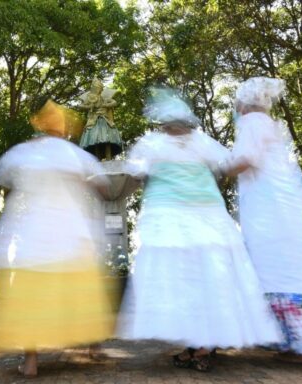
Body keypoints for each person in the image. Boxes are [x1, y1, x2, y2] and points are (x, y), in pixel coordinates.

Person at [118, 87, 281, 372]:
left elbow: (135, 174)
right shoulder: (201, 142)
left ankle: (200, 346)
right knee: (205, 280)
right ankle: (200, 345)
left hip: (176, 222)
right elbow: (228, 165)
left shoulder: (152, 144)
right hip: (201, 220)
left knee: (187, 281)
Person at [0, 100, 115, 378]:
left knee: (31, 299)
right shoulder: (74, 154)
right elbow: (103, 185)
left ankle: (31, 361)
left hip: (35, 234)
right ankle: (94, 345)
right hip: (70, 234)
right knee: (82, 293)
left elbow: (4, 178)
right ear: (63, 130)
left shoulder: (21, 153)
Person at [223, 77, 302, 364]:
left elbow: (244, 158)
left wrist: (219, 165)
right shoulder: (268, 122)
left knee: (275, 265)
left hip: (270, 209)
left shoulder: (251, 121)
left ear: (245, 102)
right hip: (281, 203)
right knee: (288, 265)